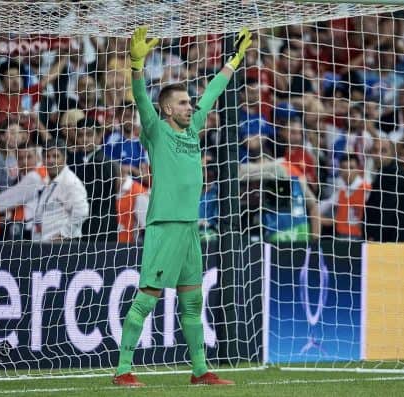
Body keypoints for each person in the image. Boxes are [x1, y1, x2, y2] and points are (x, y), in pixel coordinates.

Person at [112, 26, 252, 387]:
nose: (191, 106)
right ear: (167, 109)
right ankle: (123, 369)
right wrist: (136, 63)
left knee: (192, 303)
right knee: (147, 299)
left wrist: (233, 61)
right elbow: (142, 98)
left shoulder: (193, 130)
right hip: (165, 225)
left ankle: (200, 371)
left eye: (191, 102)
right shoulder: (157, 130)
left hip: (190, 227)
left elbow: (214, 92)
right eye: (184, 103)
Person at [32, 140, 89, 242]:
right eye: (47, 156)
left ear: (65, 158)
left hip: (64, 246)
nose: (51, 160)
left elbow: (82, 212)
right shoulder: (48, 181)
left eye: (56, 156)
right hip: (45, 244)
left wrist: (63, 234)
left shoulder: (70, 182)